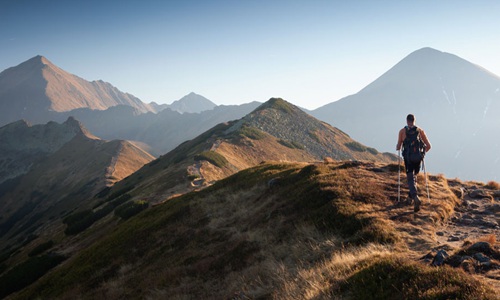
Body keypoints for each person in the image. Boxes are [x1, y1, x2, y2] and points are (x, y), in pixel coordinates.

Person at [396, 114, 431, 212]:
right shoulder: (420, 131)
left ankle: (415, 198)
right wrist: (422, 154)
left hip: (408, 159)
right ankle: (409, 199)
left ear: (407, 121)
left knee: (410, 178)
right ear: (414, 120)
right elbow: (428, 146)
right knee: (414, 178)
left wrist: (398, 146)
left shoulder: (402, 131)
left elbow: (398, 146)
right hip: (418, 159)